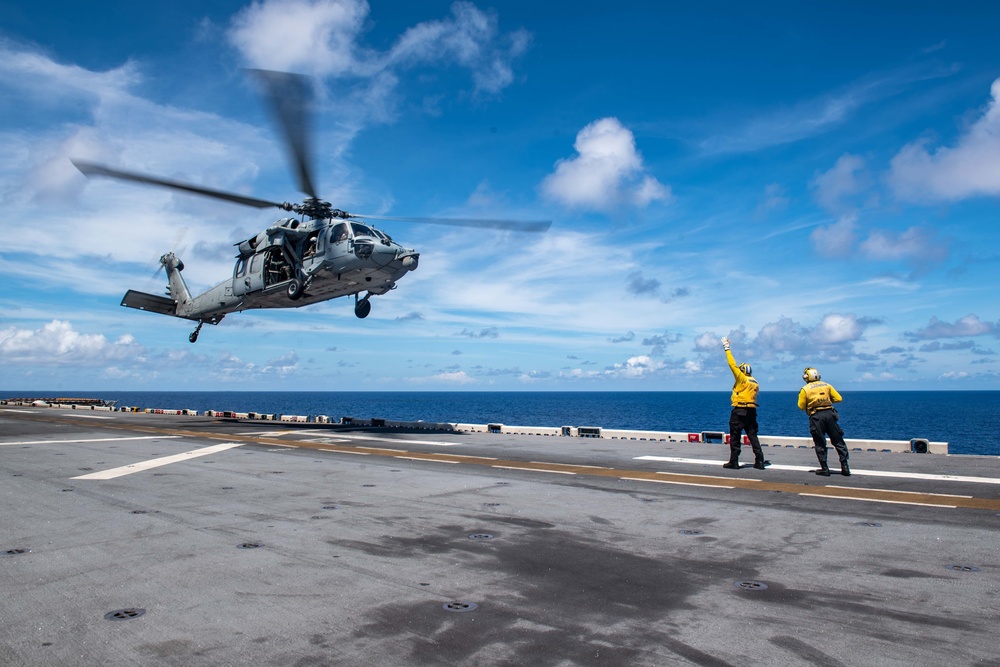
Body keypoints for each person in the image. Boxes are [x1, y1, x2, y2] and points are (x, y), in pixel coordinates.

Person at [721, 337, 766, 470]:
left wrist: (726, 348)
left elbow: (732, 365)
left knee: (735, 436)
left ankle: (734, 461)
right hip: (752, 411)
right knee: (753, 436)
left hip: (739, 411)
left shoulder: (742, 380)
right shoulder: (755, 382)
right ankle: (760, 461)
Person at [798, 367, 850, 477]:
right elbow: (838, 399)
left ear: (806, 377)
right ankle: (845, 466)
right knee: (838, 440)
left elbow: (801, 406)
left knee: (820, 442)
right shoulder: (827, 385)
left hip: (816, 416)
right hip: (830, 415)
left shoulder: (805, 389)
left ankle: (824, 468)